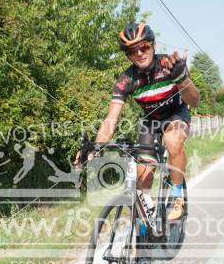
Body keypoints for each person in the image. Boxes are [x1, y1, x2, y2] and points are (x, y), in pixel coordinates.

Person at [75, 22, 200, 220]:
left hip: (177, 113)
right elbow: (111, 119)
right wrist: (95, 146)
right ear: (128, 55)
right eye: (133, 51)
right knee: (142, 180)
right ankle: (148, 226)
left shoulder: (169, 64)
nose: (140, 53)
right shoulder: (126, 80)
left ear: (153, 46)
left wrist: (182, 79)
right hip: (151, 121)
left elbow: (194, 101)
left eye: (144, 47)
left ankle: (177, 197)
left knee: (172, 140)